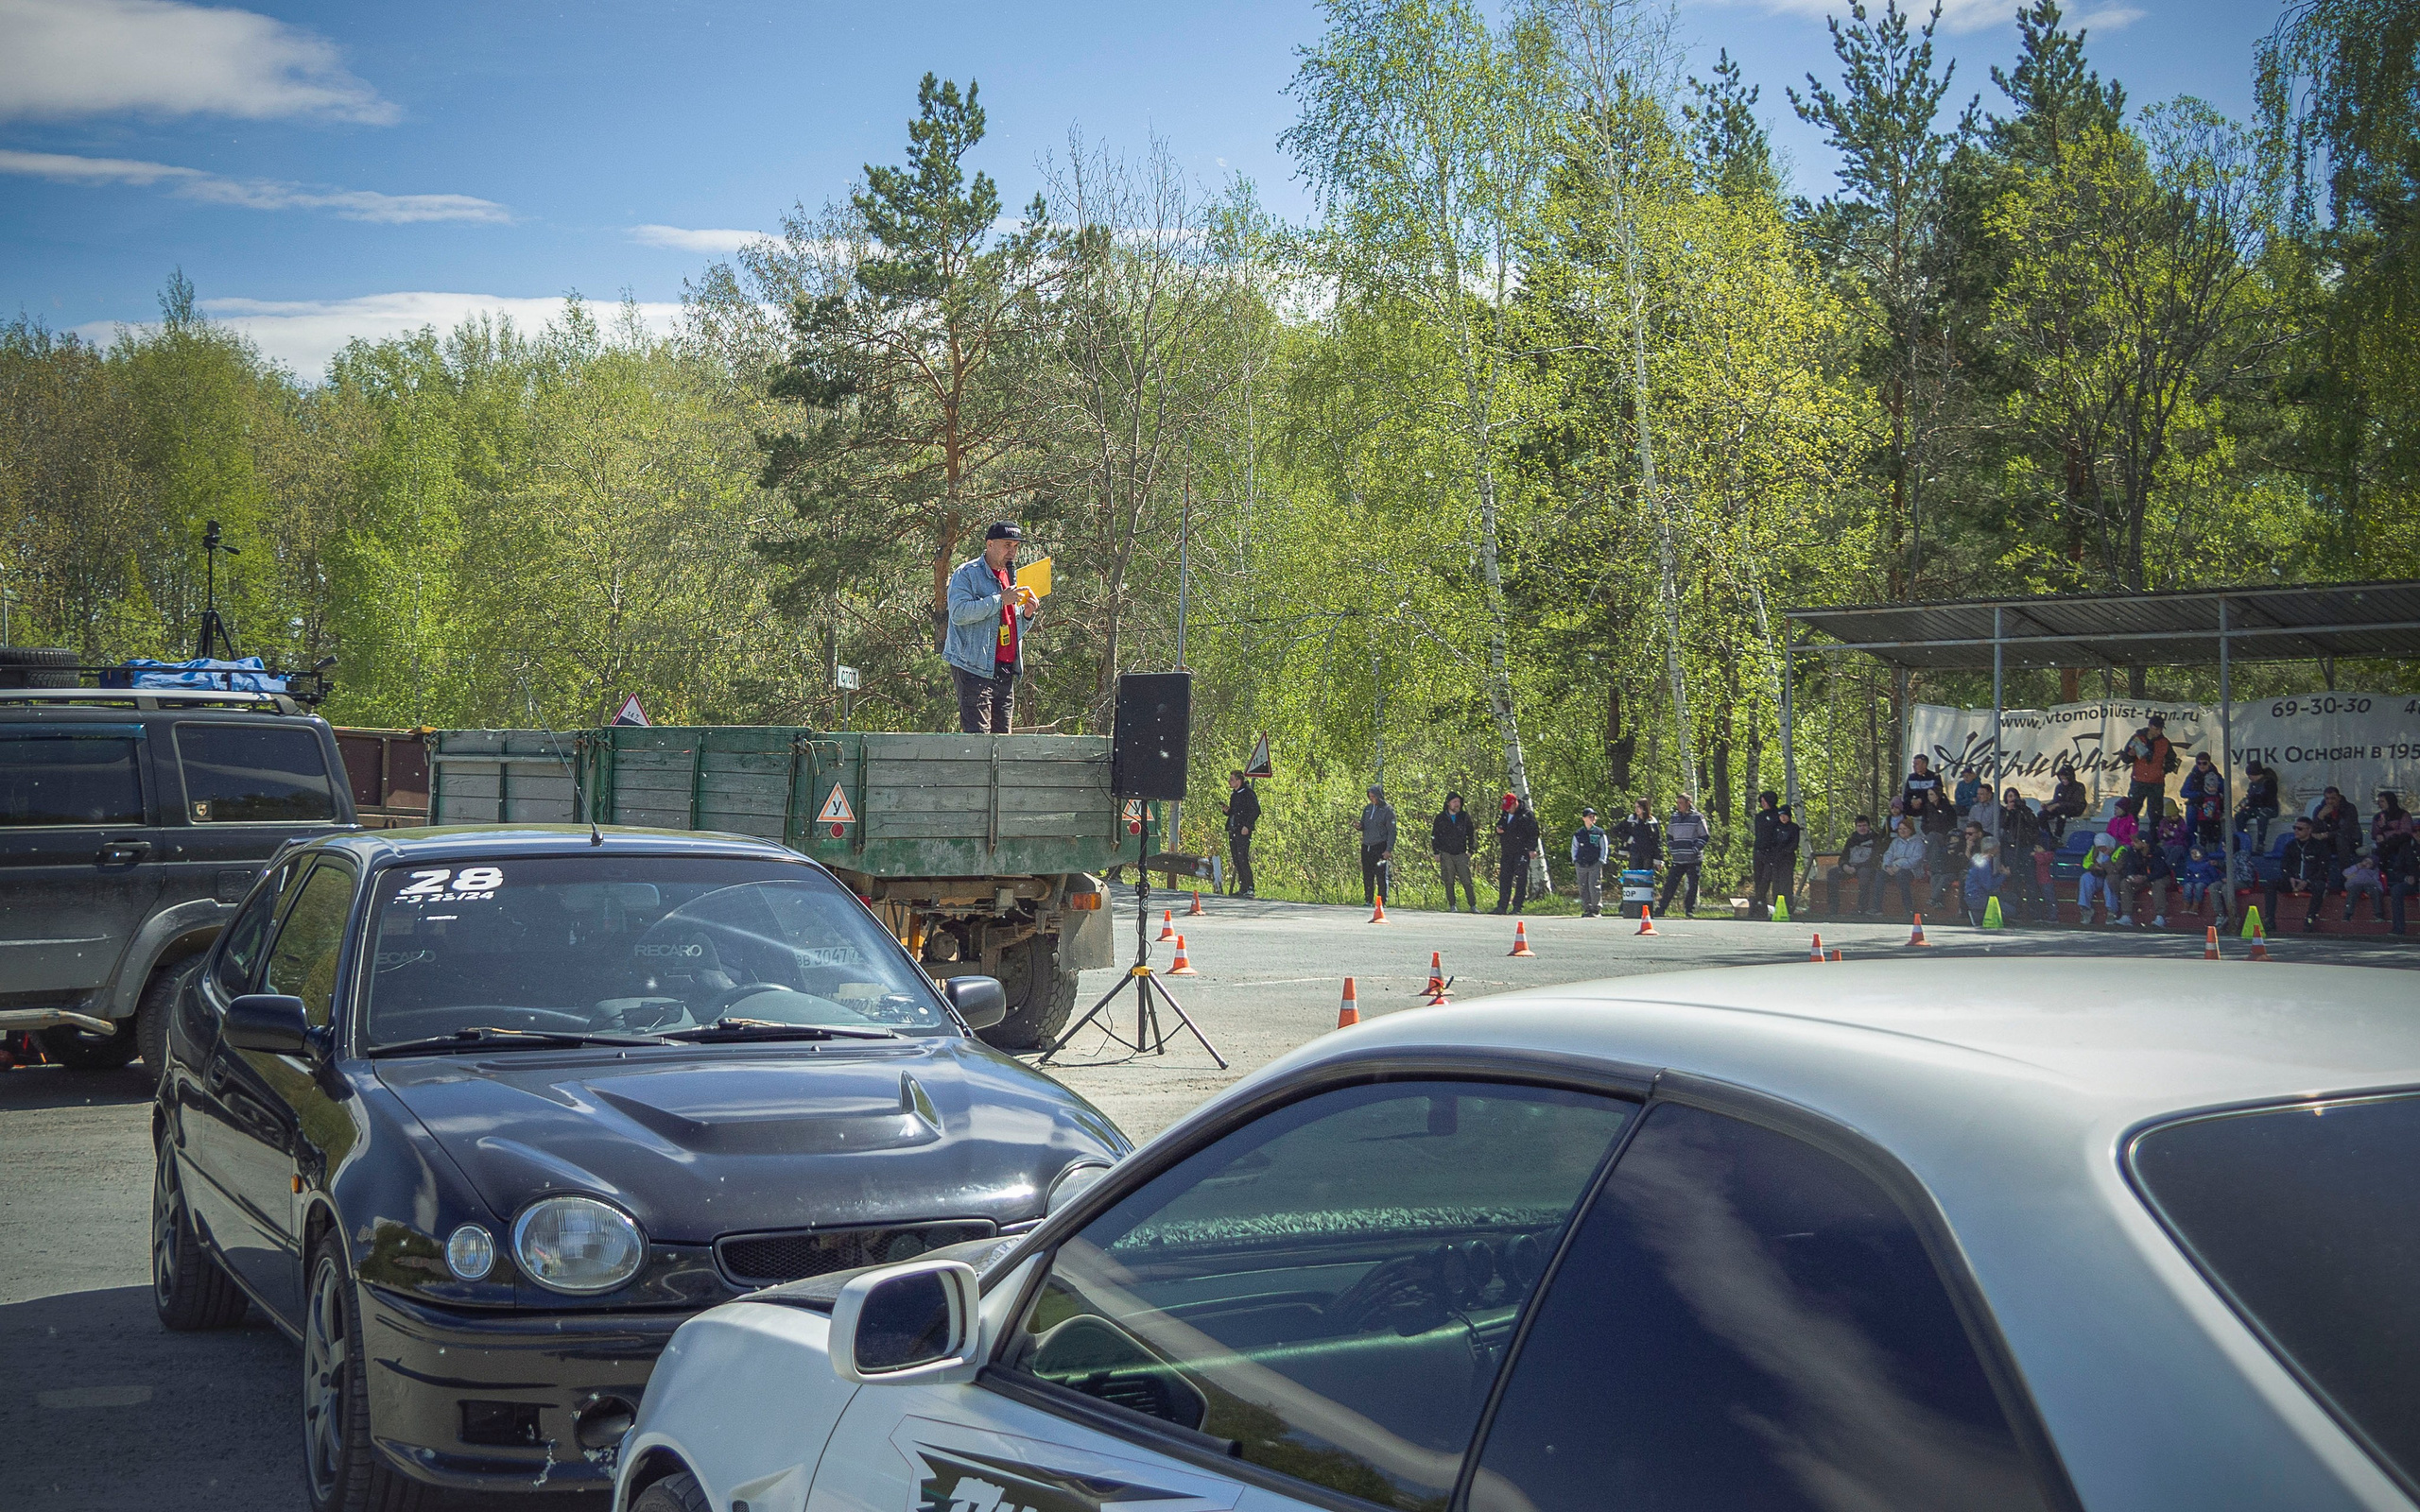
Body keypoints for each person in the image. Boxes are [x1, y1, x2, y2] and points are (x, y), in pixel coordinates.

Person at [943, 522, 1040, 734]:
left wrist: (1027, 615)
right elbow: (959, 613)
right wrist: (999, 600)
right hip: (973, 668)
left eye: (1015, 546)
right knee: (979, 742)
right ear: (989, 544)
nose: (1012, 552)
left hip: (1005, 670)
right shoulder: (967, 573)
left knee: (1002, 741)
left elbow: (1012, 627)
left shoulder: (1013, 577)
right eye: (1007, 545)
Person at [2267, 816, 2338, 933]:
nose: (2296, 831)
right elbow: (2284, 866)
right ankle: (2269, 920)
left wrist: (2308, 881)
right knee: (2271, 884)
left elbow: (2323, 869)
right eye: (2295, 828)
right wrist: (2290, 877)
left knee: (2320, 886)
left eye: (2300, 829)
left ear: (2309, 830)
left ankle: (2310, 919)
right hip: (2293, 880)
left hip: (2311, 881)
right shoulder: (2290, 846)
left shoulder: (2320, 846)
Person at [1996, 787, 2048, 923]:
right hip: (2011, 849)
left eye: (2014, 796)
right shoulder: (2003, 812)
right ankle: (2016, 911)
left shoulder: (2026, 812)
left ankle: (2035, 912)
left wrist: (2022, 810)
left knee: (2031, 881)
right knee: (2015, 882)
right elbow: (2002, 824)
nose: (2012, 799)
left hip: (2025, 848)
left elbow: (2033, 826)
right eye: (2009, 796)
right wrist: (2009, 812)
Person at [1658, 794, 1711, 918]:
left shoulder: (1698, 817)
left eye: (1681, 803)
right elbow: (1669, 835)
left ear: (1688, 803)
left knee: (1693, 885)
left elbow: (1704, 836)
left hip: (1693, 859)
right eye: (1677, 803)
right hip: (1678, 858)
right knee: (1670, 884)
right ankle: (1661, 908)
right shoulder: (1674, 817)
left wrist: (1695, 849)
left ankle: (1689, 910)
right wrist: (1672, 847)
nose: (1678, 806)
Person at [1431, 792, 1478, 912]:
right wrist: (1436, 852)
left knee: (1466, 880)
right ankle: (1452, 905)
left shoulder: (1464, 816)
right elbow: (1435, 835)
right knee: (1449, 880)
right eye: (1454, 802)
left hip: (1461, 853)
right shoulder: (1440, 818)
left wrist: (1471, 850)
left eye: (1458, 802)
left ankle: (1473, 905)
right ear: (1448, 803)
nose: (1457, 804)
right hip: (1446, 853)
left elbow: (1471, 834)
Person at [2114, 831, 2171, 929]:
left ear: (2144, 843)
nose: (2133, 843)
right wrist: (2131, 876)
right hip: (2141, 878)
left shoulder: (2157, 851)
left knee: (2158, 884)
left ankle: (2160, 917)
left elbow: (2161, 871)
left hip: (2160, 877)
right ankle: (2126, 916)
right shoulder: (2132, 851)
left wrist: (2145, 877)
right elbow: (2129, 867)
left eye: (2136, 842)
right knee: (2125, 883)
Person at [1350, 785, 1396, 907]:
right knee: (1367, 874)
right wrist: (1359, 826)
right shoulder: (1367, 809)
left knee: (1381, 875)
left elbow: (1392, 831)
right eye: (1370, 796)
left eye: (1373, 796)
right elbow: (1364, 825)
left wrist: (1389, 849)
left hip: (1380, 846)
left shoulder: (1388, 810)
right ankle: (1368, 899)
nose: (1371, 799)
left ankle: (1381, 901)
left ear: (1379, 796)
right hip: (1367, 845)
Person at [1495, 793, 1541, 915]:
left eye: (1509, 807)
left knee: (1521, 879)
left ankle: (1517, 906)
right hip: (1507, 851)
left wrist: (1532, 849)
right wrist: (1499, 829)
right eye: (1506, 808)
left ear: (1516, 803)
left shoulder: (1526, 815)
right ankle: (1502, 906)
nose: (1508, 810)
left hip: (1521, 851)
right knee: (1505, 878)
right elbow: (1501, 824)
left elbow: (1534, 833)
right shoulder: (1505, 813)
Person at [1826, 816, 1881, 916]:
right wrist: (1844, 866)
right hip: (1850, 868)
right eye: (1859, 826)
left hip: (1867, 868)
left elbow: (1874, 860)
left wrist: (1856, 867)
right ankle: (1833, 907)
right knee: (1832, 873)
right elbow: (1843, 856)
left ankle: (1861, 908)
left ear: (1869, 827)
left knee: (1864, 874)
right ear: (1856, 827)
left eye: (1864, 825)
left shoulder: (1876, 839)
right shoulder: (1851, 840)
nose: (1862, 828)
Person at [1750, 792, 1792, 919]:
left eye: (1765, 801)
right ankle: (1760, 909)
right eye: (1761, 801)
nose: (1763, 804)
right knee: (1759, 880)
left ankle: (1777, 908)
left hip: (1772, 852)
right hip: (1759, 851)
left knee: (1773, 881)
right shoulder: (1759, 816)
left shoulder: (1777, 815)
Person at [2122, 714, 2176, 812]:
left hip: (2156, 783)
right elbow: (2125, 759)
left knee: (2156, 814)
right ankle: (2132, 827)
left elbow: (2172, 760)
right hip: (2138, 781)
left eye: (2160, 729)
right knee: (2132, 812)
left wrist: (2164, 770)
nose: (2158, 732)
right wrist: (2130, 754)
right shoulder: (2137, 738)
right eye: (2156, 729)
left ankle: (2155, 827)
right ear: (2149, 726)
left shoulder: (2165, 742)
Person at [1877, 817, 1927, 919]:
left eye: (1905, 828)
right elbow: (1888, 854)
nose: (1902, 831)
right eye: (1900, 829)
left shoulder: (1918, 842)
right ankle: (1877, 908)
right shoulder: (1895, 842)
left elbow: (1916, 860)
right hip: (1893, 869)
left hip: (1912, 871)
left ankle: (1908, 908)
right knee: (1880, 875)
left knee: (1902, 876)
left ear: (1911, 829)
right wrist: (1887, 867)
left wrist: (1900, 866)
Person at [1220, 770, 1259, 899]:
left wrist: (1247, 826)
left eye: (1231, 780)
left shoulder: (1248, 794)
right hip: (1233, 829)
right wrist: (1227, 811)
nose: (1229, 782)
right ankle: (1243, 887)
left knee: (1243, 859)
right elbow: (1235, 812)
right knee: (1236, 859)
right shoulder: (1235, 795)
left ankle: (1250, 887)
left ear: (1239, 781)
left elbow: (1255, 811)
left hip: (1243, 831)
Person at [2379, 818, 2418, 936]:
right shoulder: (2407, 847)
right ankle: (2398, 928)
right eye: (2415, 831)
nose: (2418, 834)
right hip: (2412, 882)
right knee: (2396, 890)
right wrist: (2406, 878)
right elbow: (2397, 869)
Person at [1570, 806, 1610, 918]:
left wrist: (1602, 860)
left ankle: (1596, 908)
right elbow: (1574, 847)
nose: (1592, 819)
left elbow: (1604, 847)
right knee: (1583, 886)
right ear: (1584, 818)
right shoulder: (1578, 833)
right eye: (1590, 817)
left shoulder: (1599, 832)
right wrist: (1575, 859)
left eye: (1593, 817)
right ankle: (1587, 908)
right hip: (1581, 863)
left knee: (1594, 885)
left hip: (1595, 862)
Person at [2235, 759, 2281, 851]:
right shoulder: (2252, 784)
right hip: (2255, 808)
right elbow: (2250, 796)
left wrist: (2252, 800)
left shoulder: (2269, 783)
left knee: (2262, 815)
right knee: (2240, 815)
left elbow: (2268, 799)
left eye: (2250, 775)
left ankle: (2260, 843)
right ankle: (2242, 839)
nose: (2249, 778)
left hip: (2269, 808)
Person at [2183, 752, 2227, 847]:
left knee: (2213, 824)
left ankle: (2216, 846)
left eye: (2204, 763)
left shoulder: (2216, 776)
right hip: (2196, 803)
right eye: (2199, 763)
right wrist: (2198, 795)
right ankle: (2193, 845)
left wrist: (2218, 798)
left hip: (2211, 803)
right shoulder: (2192, 776)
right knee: (2190, 814)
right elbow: (2183, 793)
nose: (2202, 765)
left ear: (2209, 763)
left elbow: (2226, 791)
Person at [2076, 833, 2118, 925]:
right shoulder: (2095, 850)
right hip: (2098, 875)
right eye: (2099, 848)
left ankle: (2111, 911)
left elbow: (2115, 870)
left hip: (2111, 877)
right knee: (2085, 878)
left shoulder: (2119, 850)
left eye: (2103, 847)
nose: (2101, 850)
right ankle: (2086, 909)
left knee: (2110, 881)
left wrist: (2106, 859)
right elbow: (2086, 862)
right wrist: (2093, 866)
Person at [1962, 835, 2004, 926]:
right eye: (1997, 848)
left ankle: (1978, 915)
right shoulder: (1984, 864)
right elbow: (1989, 886)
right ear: (1991, 849)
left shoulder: (1979, 860)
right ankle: (1978, 916)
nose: (1999, 850)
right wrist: (2003, 876)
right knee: (2010, 910)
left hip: (1973, 896)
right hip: (1977, 897)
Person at [2042, 763, 2088, 844]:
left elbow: (2076, 803)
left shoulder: (2079, 786)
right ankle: (2048, 836)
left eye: (2065, 779)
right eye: (2062, 779)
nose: (2063, 781)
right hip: (2061, 808)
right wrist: (2048, 805)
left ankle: (2058, 835)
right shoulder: (2059, 787)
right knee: (2041, 814)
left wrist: (2057, 805)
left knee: (2061, 813)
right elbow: (2056, 800)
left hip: (2075, 809)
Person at [2178, 847, 2226, 919]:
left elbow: (2214, 875)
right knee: (2187, 886)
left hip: (2204, 882)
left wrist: (2215, 881)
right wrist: (2184, 882)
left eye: (2196, 852)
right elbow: (2187, 876)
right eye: (2192, 853)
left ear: (2202, 853)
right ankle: (2186, 906)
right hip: (2192, 881)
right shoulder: (2190, 865)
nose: (2194, 855)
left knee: (2199, 886)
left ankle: (2195, 906)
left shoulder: (2208, 864)